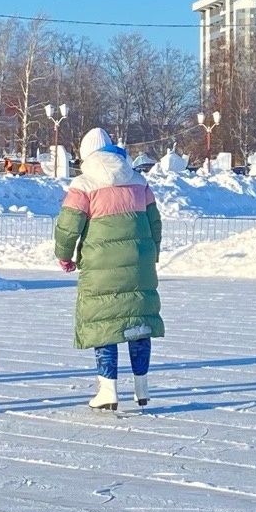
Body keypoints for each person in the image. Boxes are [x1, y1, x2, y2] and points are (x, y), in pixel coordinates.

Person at [53, 127, 163, 412]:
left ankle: (108, 390)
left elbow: (67, 227)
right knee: (138, 323)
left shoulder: (84, 184)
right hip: (139, 265)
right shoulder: (139, 181)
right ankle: (142, 387)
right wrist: (152, 254)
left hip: (100, 268)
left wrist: (64, 256)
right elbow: (155, 223)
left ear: (86, 154)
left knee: (104, 324)